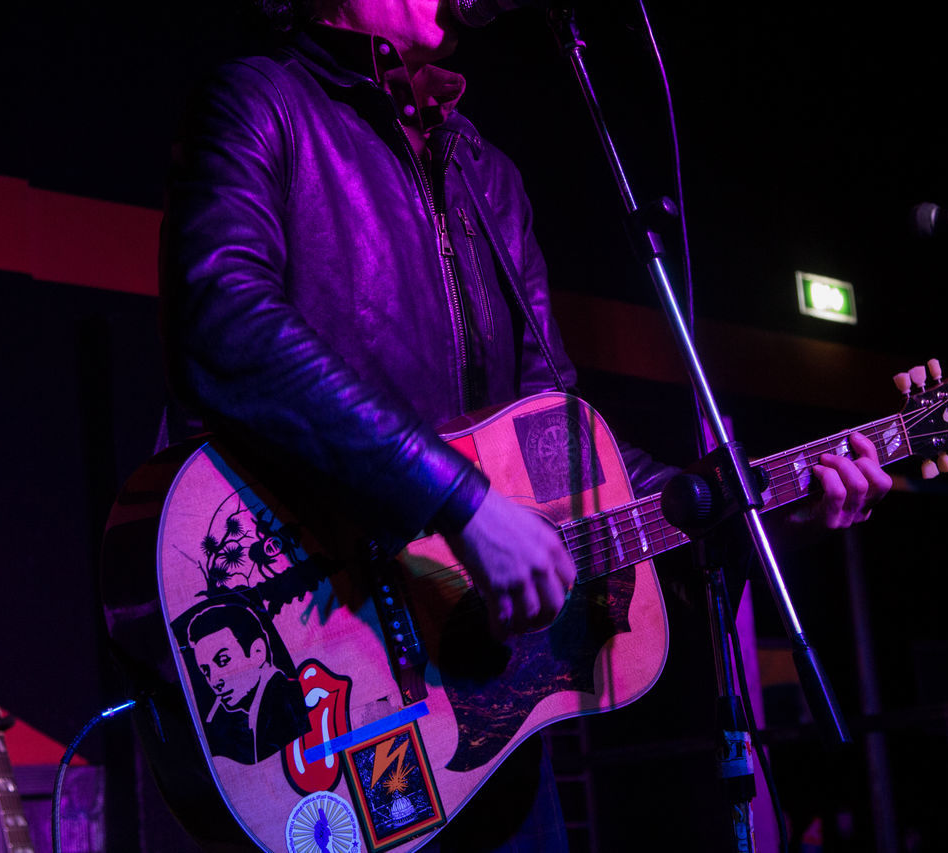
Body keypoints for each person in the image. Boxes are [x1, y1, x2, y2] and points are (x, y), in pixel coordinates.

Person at [159, 0, 892, 848]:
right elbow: (223, 319)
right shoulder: (262, 101)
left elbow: (566, 449)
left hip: (480, 730)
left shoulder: (486, 173)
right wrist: (461, 504)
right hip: (339, 669)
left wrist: (757, 509)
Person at [186, 602, 307, 765]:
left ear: (258, 652)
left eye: (223, 661)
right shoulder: (259, 712)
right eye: (206, 671)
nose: (214, 681)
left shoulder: (286, 703)